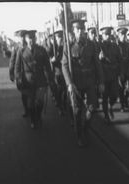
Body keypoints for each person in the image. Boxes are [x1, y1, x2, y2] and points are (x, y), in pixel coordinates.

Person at [62, 19, 104, 147]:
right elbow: (64, 65)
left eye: (81, 29)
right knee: (77, 110)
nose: (79, 32)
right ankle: (79, 134)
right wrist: (69, 83)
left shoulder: (91, 45)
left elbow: (97, 64)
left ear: (84, 30)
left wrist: (101, 81)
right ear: (73, 31)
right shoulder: (68, 46)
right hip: (76, 83)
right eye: (77, 29)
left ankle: (86, 128)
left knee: (92, 108)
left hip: (90, 81)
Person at [15, 30, 54, 129]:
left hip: (40, 80)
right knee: (30, 103)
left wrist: (50, 78)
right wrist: (18, 79)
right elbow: (17, 67)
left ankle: (38, 115)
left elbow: (47, 65)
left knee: (40, 102)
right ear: (26, 40)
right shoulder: (21, 51)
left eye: (33, 38)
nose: (31, 40)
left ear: (36, 39)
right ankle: (33, 119)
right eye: (29, 38)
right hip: (28, 81)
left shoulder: (41, 50)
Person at [99, 26, 121, 123]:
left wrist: (120, 73)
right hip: (104, 76)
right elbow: (95, 62)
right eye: (105, 35)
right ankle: (106, 115)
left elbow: (119, 60)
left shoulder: (115, 46)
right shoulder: (98, 46)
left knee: (115, 96)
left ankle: (110, 106)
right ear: (102, 36)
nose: (107, 37)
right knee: (105, 97)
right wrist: (99, 57)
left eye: (109, 34)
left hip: (113, 75)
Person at [9, 29, 29, 117]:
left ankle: (33, 111)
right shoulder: (16, 48)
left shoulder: (30, 46)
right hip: (21, 76)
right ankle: (26, 110)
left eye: (24, 37)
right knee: (24, 94)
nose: (22, 39)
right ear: (19, 38)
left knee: (32, 93)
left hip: (30, 74)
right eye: (21, 37)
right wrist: (11, 74)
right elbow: (12, 61)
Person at [50, 29, 67, 114]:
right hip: (57, 73)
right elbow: (47, 60)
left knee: (65, 92)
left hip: (65, 72)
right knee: (59, 91)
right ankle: (60, 107)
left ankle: (64, 105)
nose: (59, 39)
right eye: (58, 37)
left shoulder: (65, 46)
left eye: (61, 37)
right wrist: (51, 60)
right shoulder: (52, 48)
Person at [116, 26, 129, 112]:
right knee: (121, 89)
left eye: (125, 34)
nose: (124, 36)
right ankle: (122, 105)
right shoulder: (116, 45)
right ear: (118, 35)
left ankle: (125, 100)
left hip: (128, 69)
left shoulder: (128, 45)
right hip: (119, 70)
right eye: (122, 34)